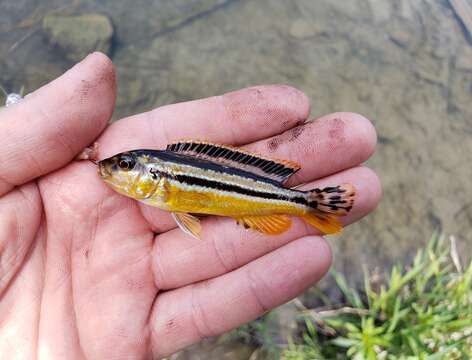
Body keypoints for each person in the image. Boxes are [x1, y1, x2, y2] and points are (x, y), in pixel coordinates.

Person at [0, 52, 381, 358]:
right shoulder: (159, 189)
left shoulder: (166, 185)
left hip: (265, 195)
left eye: (126, 165)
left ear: (154, 177)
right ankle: (308, 204)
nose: (114, 170)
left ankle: (308, 203)